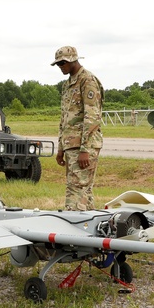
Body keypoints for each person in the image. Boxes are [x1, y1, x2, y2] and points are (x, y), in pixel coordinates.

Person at [52, 45, 104, 210]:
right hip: (71, 146)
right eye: (58, 64)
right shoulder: (67, 84)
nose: (60, 67)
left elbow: (92, 116)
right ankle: (88, 228)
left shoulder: (87, 80)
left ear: (73, 60)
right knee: (80, 191)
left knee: (77, 190)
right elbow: (65, 118)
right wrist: (61, 148)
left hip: (83, 146)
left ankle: (74, 227)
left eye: (63, 63)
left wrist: (85, 149)